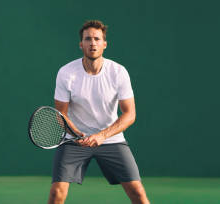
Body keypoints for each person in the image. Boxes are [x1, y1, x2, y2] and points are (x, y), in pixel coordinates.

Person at [48, 20, 150, 204]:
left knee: (138, 193)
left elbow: (130, 114)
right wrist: (77, 134)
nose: (92, 43)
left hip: (111, 139)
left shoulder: (118, 72)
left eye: (97, 39)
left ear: (104, 44)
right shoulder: (66, 73)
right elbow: (60, 114)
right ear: (81, 44)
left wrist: (102, 136)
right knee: (56, 194)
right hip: (74, 141)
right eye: (88, 39)